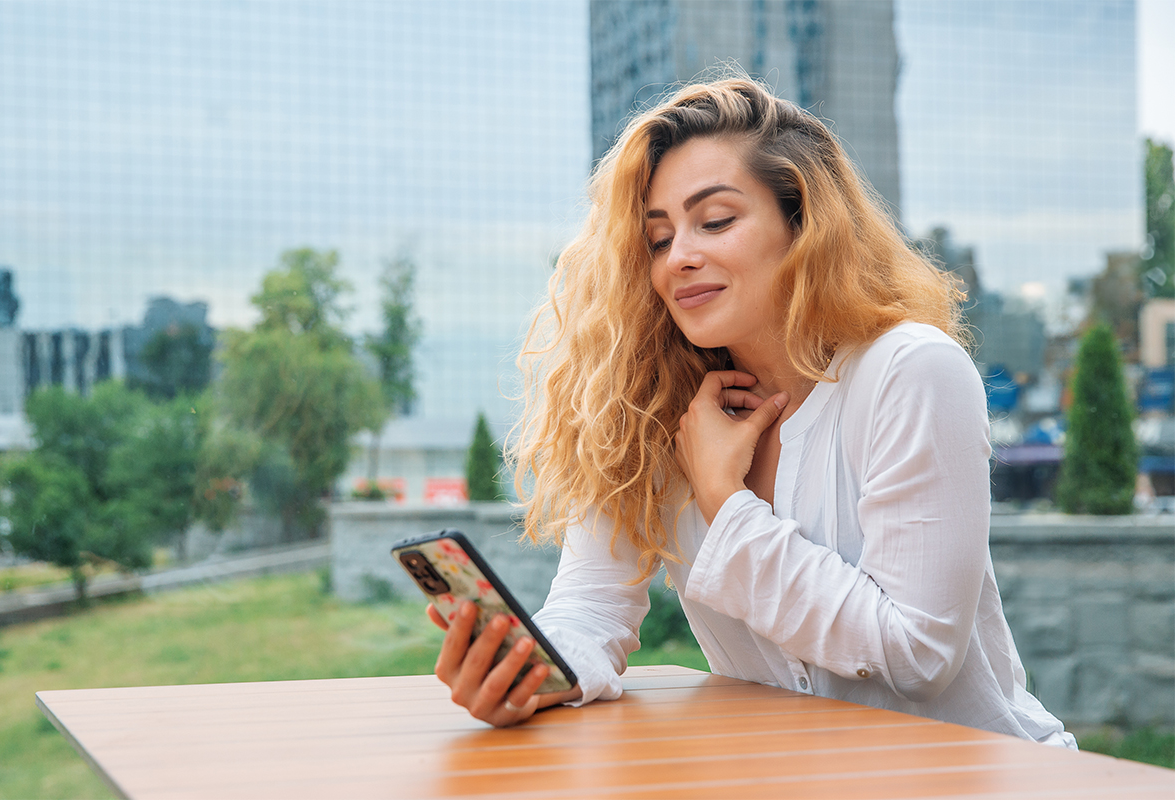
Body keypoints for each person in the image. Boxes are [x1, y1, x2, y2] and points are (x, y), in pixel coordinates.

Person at [428, 76, 1076, 748]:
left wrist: (722, 498)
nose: (680, 257)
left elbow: (917, 656)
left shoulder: (912, 371)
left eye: (716, 221)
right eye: (657, 238)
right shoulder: (652, 407)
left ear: (804, 225)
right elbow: (591, 606)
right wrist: (538, 673)